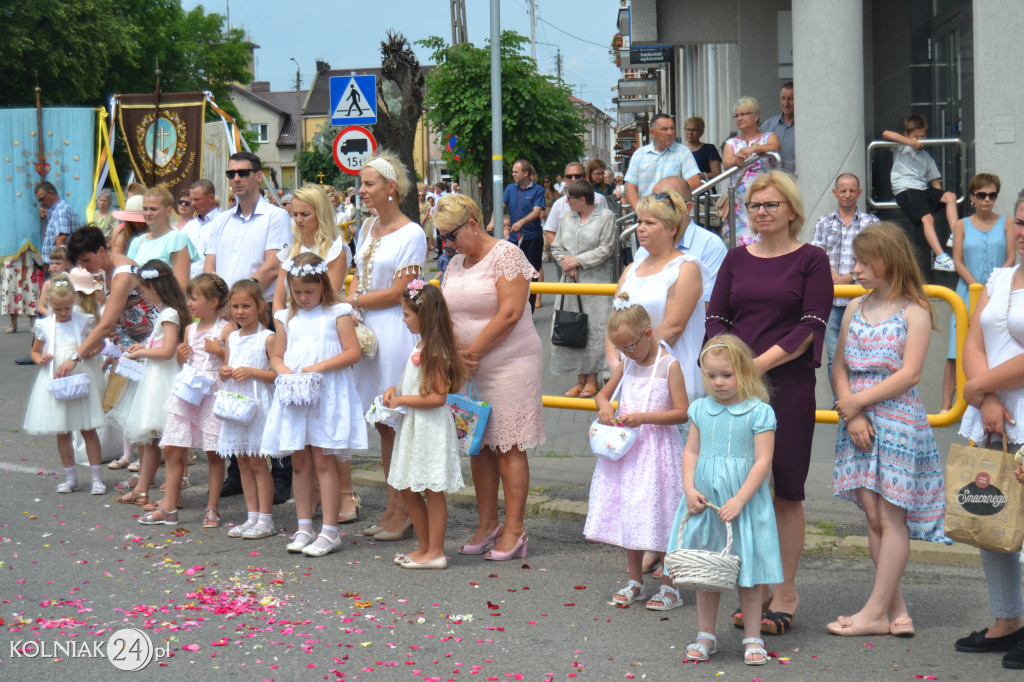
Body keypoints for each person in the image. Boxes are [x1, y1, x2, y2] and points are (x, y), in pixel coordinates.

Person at [706, 170, 833, 636]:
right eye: (755, 205)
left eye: (771, 205)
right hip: (733, 388)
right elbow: (716, 316)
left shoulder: (812, 259)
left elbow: (809, 326)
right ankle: (754, 585)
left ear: (792, 211)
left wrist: (751, 368)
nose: (761, 212)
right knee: (741, 487)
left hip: (786, 388)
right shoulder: (736, 259)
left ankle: (785, 590)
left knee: (785, 490)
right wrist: (722, 370)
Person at [829, 223, 949, 637]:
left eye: (863, 261)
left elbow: (910, 374)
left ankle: (875, 611)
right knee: (874, 516)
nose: (855, 269)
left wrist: (857, 404)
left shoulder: (915, 309)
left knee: (892, 516)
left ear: (887, 259)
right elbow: (840, 365)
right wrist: (852, 413)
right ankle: (894, 611)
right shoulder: (853, 308)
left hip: (896, 419)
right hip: (858, 419)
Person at [435, 193, 546, 560]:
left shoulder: (506, 254)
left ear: (472, 224)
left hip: (509, 362)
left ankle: (515, 528)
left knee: (509, 446)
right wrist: (453, 356)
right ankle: (487, 523)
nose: (447, 245)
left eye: (450, 236)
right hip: (468, 367)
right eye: (441, 239)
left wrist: (472, 353)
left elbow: (512, 312)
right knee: (478, 446)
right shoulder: (455, 263)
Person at [669, 335, 782, 665]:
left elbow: (763, 461)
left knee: (748, 573)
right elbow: (690, 451)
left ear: (744, 372)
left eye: (727, 375)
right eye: (711, 375)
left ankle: (752, 637)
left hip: (741, 505)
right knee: (707, 571)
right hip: (706, 504)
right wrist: (688, 488)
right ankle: (706, 635)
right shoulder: (701, 410)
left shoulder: (759, 412)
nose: (718, 382)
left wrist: (741, 499)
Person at [954, 193, 1024, 669]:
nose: (1023, 231)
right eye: (1019, 222)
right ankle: (1007, 620)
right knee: (991, 517)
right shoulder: (1001, 277)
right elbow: (975, 338)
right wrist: (989, 398)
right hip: (995, 415)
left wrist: (977, 386)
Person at [586, 294, 688, 610]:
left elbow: (683, 412)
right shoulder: (628, 364)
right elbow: (603, 395)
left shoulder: (669, 366)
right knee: (629, 510)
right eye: (620, 348)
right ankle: (635, 580)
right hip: (628, 452)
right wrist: (604, 406)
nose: (627, 353)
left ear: (648, 333)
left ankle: (671, 586)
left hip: (658, 452)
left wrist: (645, 418)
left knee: (663, 513)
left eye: (631, 345)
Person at [346, 151, 427, 542]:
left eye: (368, 183)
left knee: (397, 423)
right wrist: (352, 307)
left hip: (394, 332)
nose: (361, 190)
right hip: (367, 331)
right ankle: (393, 506)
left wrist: (355, 303)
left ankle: (407, 510)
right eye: (361, 184)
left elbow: (399, 292)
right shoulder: (367, 228)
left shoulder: (411, 233)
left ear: (391, 188)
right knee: (383, 425)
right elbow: (355, 277)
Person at [263, 253, 366, 558]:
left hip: (327, 392)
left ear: (322, 285)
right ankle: (304, 525)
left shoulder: (338, 312)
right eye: (297, 292)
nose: (303, 298)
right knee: (299, 461)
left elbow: (352, 352)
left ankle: (330, 530)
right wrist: (284, 371)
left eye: (309, 291)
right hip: (296, 395)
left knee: (324, 460)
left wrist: (317, 367)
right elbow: (277, 356)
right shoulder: (286, 317)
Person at [272, 184, 356, 522]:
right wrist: (281, 321)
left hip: (324, 332)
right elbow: (280, 296)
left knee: (328, 431)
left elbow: (331, 293)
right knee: (303, 445)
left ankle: (343, 494)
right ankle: (313, 505)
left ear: (320, 212)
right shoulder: (289, 248)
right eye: (294, 214)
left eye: (305, 214)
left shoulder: (335, 248)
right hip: (294, 329)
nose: (299, 220)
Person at [383, 281, 468, 570]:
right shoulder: (419, 345)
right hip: (414, 426)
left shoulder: (435, 349)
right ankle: (424, 546)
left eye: (407, 314)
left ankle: (436, 551)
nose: (403, 319)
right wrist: (394, 390)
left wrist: (403, 399)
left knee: (432, 489)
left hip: (429, 429)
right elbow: (413, 381)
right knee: (408, 486)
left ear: (424, 315)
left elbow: (438, 396)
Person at [139, 274, 231, 527]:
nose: (189, 303)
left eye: (194, 298)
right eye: (189, 298)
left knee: (213, 452)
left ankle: (212, 507)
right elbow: (186, 362)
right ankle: (169, 506)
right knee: (172, 447)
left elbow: (233, 362)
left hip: (212, 392)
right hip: (189, 392)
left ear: (213, 302)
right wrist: (181, 356)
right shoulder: (190, 329)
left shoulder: (226, 329)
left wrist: (221, 352)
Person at [106, 260, 190, 509]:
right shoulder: (168, 311)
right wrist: (143, 346)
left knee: (166, 439)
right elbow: (162, 345)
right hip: (156, 378)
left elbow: (167, 351)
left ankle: (172, 495)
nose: (144, 295)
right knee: (150, 439)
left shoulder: (169, 313)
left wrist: (141, 354)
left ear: (156, 288)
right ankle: (142, 489)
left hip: (162, 380)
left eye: (145, 290)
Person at [610, 190, 708, 405]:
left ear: (672, 229)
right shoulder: (631, 270)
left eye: (650, 223)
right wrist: (615, 360)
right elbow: (614, 322)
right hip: (634, 370)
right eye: (639, 221)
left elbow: (673, 327)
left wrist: (631, 356)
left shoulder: (685, 268)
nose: (641, 228)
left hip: (673, 376)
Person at [22, 274, 107, 495]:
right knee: (62, 431)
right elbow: (34, 351)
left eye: (67, 308)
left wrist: (91, 352)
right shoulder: (45, 325)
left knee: (88, 428)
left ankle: (97, 478)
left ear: (74, 303)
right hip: (56, 380)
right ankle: (70, 477)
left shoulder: (82, 320)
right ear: (50, 304)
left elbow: (99, 343)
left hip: (80, 375)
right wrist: (41, 359)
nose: (63, 313)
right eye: (58, 309)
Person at [942, 173, 1013, 410]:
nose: (987, 200)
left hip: (1001, 292)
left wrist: (993, 284)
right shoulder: (961, 225)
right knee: (956, 347)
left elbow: (1012, 258)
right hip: (965, 291)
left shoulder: (1008, 222)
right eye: (981, 195)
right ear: (972, 197)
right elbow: (958, 261)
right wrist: (976, 286)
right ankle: (946, 407)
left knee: (995, 343)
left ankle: (991, 398)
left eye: (992, 195)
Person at [218, 279, 278, 539]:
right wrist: (224, 371)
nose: (240, 312)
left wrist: (252, 372)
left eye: (246, 306)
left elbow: (276, 374)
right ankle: (251, 515)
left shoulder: (268, 338)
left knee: (258, 462)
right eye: (235, 306)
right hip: (235, 403)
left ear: (260, 306)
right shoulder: (231, 337)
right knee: (241, 460)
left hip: (257, 404)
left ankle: (266, 518)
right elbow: (226, 371)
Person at [810, 173, 880, 390]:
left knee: (863, 356)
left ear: (859, 193)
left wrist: (849, 277)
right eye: (843, 191)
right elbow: (816, 256)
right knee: (834, 359)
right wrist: (830, 273)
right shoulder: (823, 222)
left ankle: (861, 398)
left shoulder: (872, 222)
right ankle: (840, 403)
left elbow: (878, 257)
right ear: (835, 193)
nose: (847, 195)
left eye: (852, 191)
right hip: (830, 303)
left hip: (863, 301)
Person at [550, 180, 616, 399]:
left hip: (596, 282)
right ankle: (579, 380)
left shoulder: (606, 217)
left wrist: (577, 261)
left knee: (595, 329)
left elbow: (605, 249)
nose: (566, 202)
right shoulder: (567, 217)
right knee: (572, 326)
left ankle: (592, 380)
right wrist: (565, 264)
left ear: (582, 200)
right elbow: (556, 245)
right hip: (570, 281)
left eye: (570, 198)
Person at [882, 115, 960, 271]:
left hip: (921, 189)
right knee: (927, 219)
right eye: (915, 136)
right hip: (905, 188)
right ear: (907, 135)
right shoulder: (901, 148)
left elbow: (935, 181)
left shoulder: (926, 158)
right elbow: (886, 134)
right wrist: (910, 142)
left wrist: (936, 201)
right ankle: (940, 257)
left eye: (922, 136)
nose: (919, 140)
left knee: (950, 197)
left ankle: (955, 234)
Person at [634, 177, 728, 298]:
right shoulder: (645, 249)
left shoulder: (710, 245)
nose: (655, 208)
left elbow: (709, 304)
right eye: (652, 201)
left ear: (687, 208)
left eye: (665, 203)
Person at [723, 97, 781, 246]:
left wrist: (752, 149)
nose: (740, 118)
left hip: (765, 196)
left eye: (744, 114)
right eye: (737, 115)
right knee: (741, 240)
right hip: (740, 201)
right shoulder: (732, 143)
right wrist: (736, 160)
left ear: (756, 116)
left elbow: (774, 146)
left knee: (766, 234)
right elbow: (726, 163)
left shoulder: (769, 137)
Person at [492, 158, 546, 310]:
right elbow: (499, 206)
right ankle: (513, 307)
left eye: (516, 172)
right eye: (513, 172)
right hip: (514, 239)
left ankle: (530, 308)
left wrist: (521, 222)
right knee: (513, 273)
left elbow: (537, 212)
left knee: (531, 274)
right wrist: (492, 222)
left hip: (532, 238)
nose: (513, 174)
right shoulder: (510, 189)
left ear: (526, 173)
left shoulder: (538, 190)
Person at [623, 114, 701, 212]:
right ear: (652, 132)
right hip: (646, 213)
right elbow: (630, 188)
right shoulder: (639, 155)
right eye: (664, 129)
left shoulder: (683, 152)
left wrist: (669, 199)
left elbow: (695, 181)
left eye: (672, 128)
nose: (670, 132)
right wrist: (640, 212)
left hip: (673, 213)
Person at [129, 186, 199, 292]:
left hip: (166, 305)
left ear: (168, 210)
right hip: (138, 304)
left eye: (153, 209)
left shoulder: (177, 239)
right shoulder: (138, 242)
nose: (148, 213)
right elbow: (128, 277)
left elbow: (182, 286)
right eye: (145, 209)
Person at [543, 162, 610, 246]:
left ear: (585, 178)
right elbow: (550, 233)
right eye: (569, 176)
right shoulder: (559, 204)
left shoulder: (599, 199)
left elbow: (607, 232)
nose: (573, 179)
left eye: (577, 176)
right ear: (565, 180)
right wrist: (562, 253)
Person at [183, 179, 221, 280]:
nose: (193, 203)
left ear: (211, 198)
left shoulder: (224, 223)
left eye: (197, 199)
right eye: (191, 200)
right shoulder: (188, 227)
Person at [36, 181, 79, 263]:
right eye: (39, 201)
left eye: (42, 199)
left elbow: (61, 238)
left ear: (52, 194)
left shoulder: (61, 211)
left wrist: (57, 264)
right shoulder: (56, 211)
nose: (41, 203)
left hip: (58, 264)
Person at [759, 82, 795, 174]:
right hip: (773, 182)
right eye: (783, 99)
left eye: (790, 99)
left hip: (797, 181)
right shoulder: (768, 125)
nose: (786, 103)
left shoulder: (802, 127)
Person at [37, 246, 71, 318]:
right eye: (52, 263)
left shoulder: (71, 281)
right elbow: (40, 306)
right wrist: (52, 315)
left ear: (68, 265)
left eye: (58, 263)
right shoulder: (48, 284)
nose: (54, 266)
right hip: (52, 316)